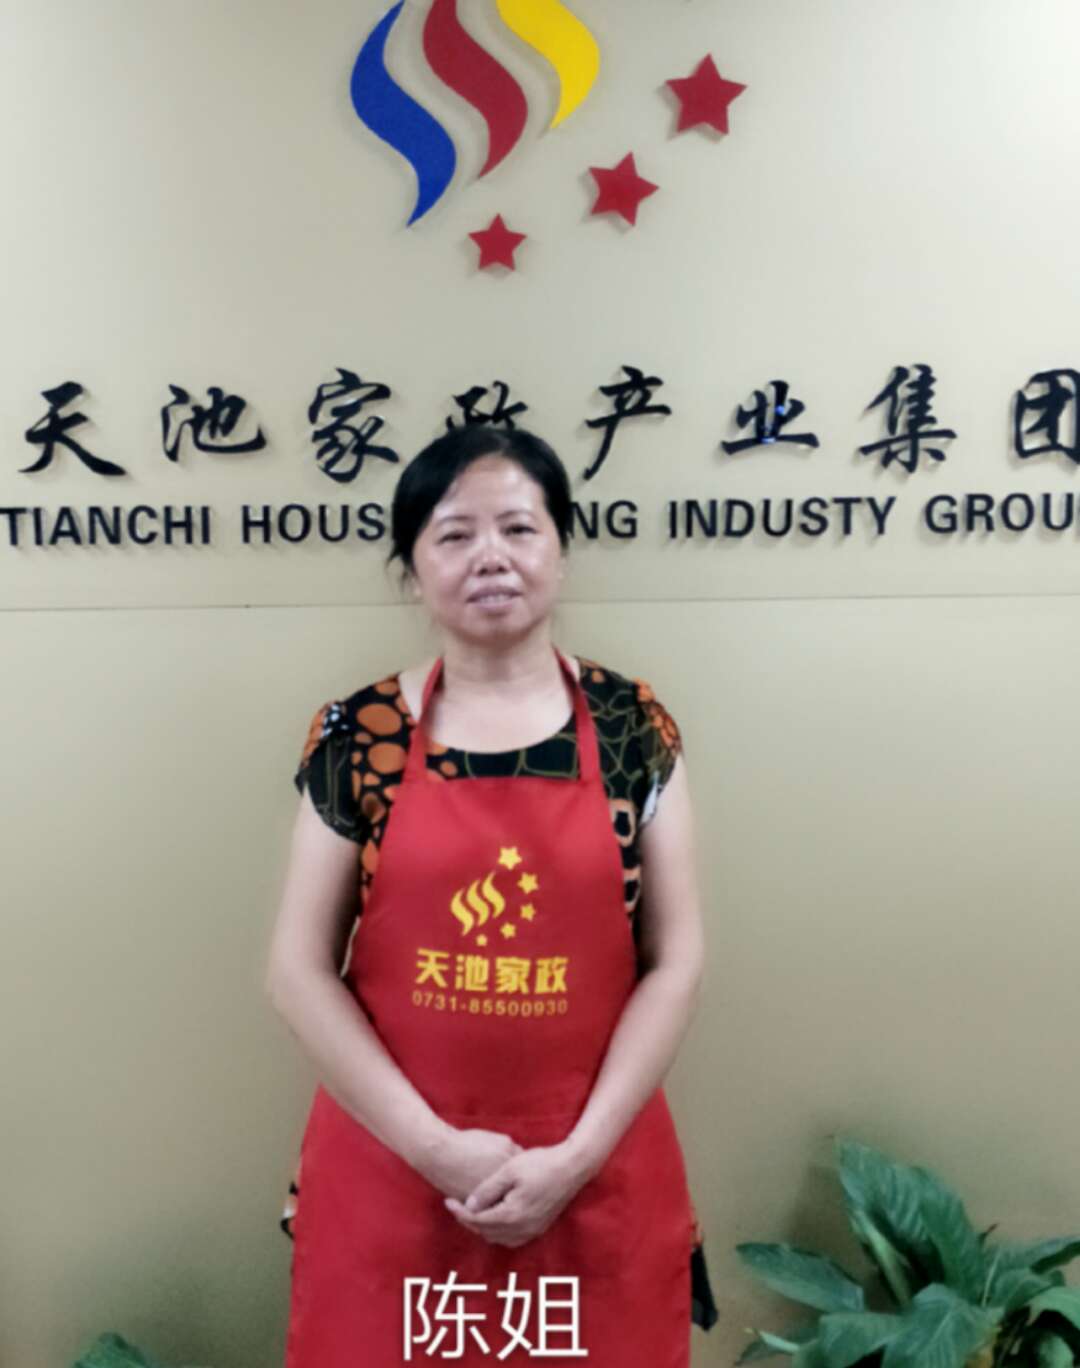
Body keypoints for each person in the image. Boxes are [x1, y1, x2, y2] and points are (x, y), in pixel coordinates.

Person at [265, 425, 717, 1366]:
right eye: (454, 534)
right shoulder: (360, 735)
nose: (491, 556)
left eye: (518, 527)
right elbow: (298, 970)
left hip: (590, 1168)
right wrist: (434, 1148)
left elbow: (675, 959)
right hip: (398, 1173)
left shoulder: (634, 726)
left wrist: (576, 1159)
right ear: (412, 568)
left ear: (561, 548)